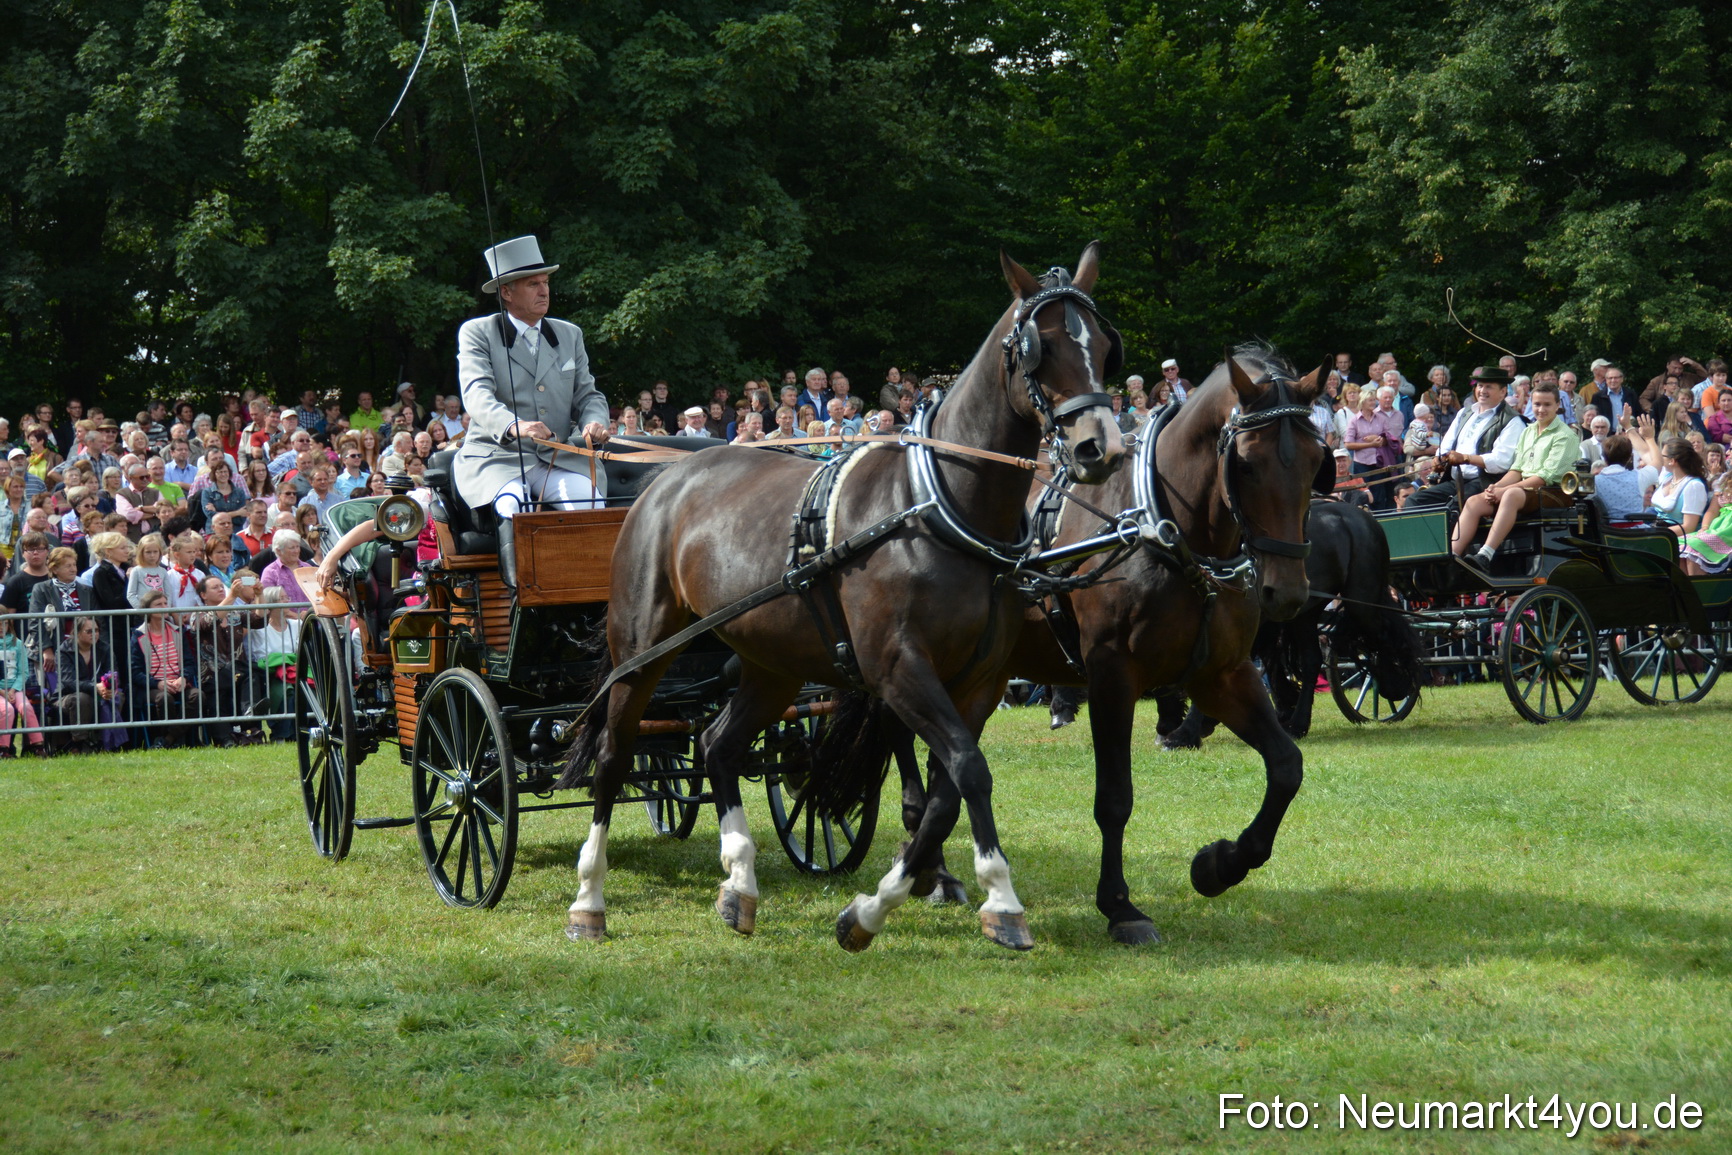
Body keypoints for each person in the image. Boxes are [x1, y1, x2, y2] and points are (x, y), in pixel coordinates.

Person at [454, 235, 610, 588]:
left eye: (545, 282)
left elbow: (588, 395)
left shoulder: (569, 334)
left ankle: (592, 594)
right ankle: (522, 602)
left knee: (589, 505)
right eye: (532, 284)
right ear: (506, 292)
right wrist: (514, 426)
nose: (544, 291)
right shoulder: (478, 332)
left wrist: (594, 422)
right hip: (497, 457)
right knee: (515, 507)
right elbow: (476, 394)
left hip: (558, 456)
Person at [1451, 381, 1575, 568]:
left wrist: (1505, 490)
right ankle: (1452, 558)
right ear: (1530, 405)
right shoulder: (1528, 432)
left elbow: (1544, 478)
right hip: (1525, 491)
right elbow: (1516, 469)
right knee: (1474, 501)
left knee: (1511, 494)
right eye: (1537, 404)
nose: (1541, 409)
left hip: (1554, 492)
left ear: (1558, 406)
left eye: (1547, 404)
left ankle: (1485, 555)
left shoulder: (1565, 435)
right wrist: (1496, 487)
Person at [1406, 369, 1527, 508]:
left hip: (1484, 482)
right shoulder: (1465, 412)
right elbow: (1447, 443)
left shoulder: (1513, 421)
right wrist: (1440, 459)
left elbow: (1501, 461)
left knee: (1450, 510)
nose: (1482, 390)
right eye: (1480, 386)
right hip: (1455, 480)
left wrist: (1465, 458)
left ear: (1503, 391)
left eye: (1489, 387)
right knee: (1414, 501)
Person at [130, 588, 203, 747]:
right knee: (164, 698)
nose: (164, 606)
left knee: (197, 695)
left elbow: (189, 663)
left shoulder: (177, 632)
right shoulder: (138, 636)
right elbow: (135, 672)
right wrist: (157, 683)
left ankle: (169, 739)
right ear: (147, 610)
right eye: (158, 604)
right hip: (153, 686)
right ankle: (171, 738)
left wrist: (183, 678)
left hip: (177, 681)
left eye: (165, 603)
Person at [54, 616, 123, 753]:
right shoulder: (63, 651)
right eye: (89, 631)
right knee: (82, 698)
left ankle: (105, 742)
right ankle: (79, 742)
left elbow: (113, 672)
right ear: (77, 633)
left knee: (117, 696)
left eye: (96, 630)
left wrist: (109, 687)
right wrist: (95, 687)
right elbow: (68, 682)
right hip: (66, 696)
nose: (94, 634)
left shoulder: (104, 648)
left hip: (99, 692)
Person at [247, 586, 301, 740]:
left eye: (286, 597)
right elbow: (261, 656)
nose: (286, 601)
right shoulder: (259, 630)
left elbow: (302, 650)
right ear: (270, 604)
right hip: (271, 675)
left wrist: (288, 660)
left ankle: (300, 732)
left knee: (305, 689)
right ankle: (282, 734)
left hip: (295, 672)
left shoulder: (297, 625)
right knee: (286, 691)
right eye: (281, 598)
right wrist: (286, 660)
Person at [0, 613, 45, 756]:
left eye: (4, 623)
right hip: (0, 691)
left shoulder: (18, 644)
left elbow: (23, 672)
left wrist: (13, 690)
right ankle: (3, 749)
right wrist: (3, 692)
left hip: (15, 688)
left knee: (26, 707)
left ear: (9, 625)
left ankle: (38, 745)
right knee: (7, 710)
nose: (1, 627)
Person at [259, 528, 312, 606]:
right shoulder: (270, 572)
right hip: (284, 617)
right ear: (278, 551)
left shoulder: (307, 568)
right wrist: (297, 616)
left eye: (297, 546)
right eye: (292, 548)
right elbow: (269, 604)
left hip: (311, 617)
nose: (297, 551)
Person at [125, 532, 170, 608]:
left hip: (160, 612)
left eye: (155, 552)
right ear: (141, 553)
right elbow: (131, 594)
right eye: (148, 552)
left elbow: (168, 594)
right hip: (143, 613)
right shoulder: (136, 571)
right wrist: (142, 610)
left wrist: (166, 608)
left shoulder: (163, 571)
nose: (152, 555)